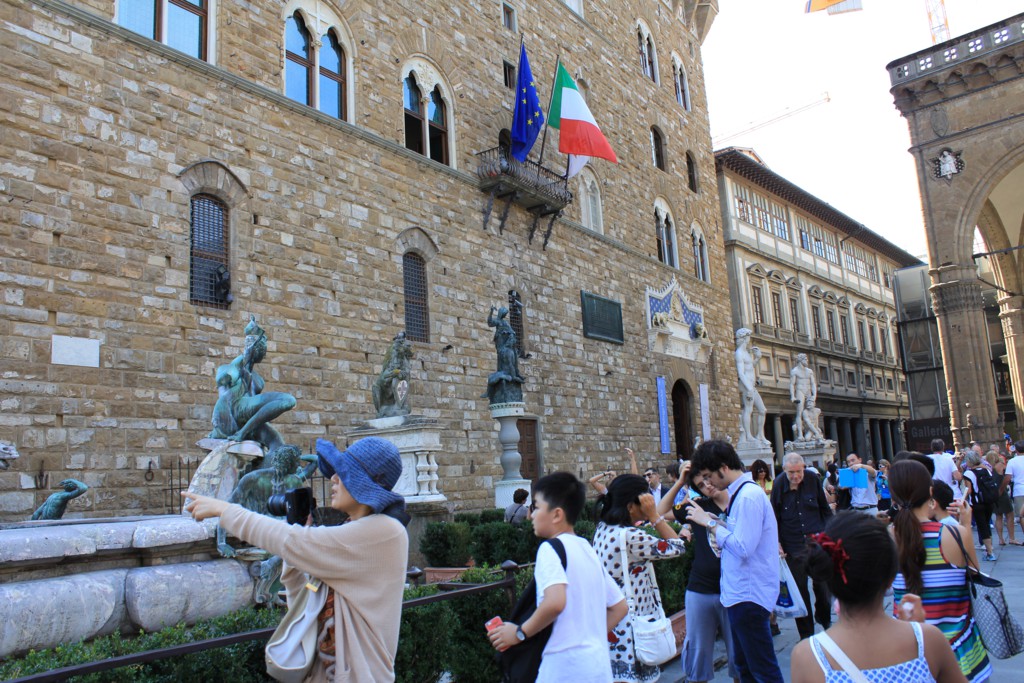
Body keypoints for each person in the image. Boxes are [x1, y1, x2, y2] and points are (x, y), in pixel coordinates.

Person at [183, 436, 410, 683]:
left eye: (342, 474)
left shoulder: (385, 532)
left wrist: (227, 511)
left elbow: (294, 541)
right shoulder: (354, 531)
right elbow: (304, 603)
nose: (333, 478)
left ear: (363, 483)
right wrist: (294, 559)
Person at [790, 511, 967, 683]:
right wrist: (915, 629)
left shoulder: (808, 656)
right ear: (891, 578)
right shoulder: (928, 641)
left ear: (827, 576)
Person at [488, 472, 628, 683]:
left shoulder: (550, 549)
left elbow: (555, 603)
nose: (532, 514)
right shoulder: (586, 548)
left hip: (564, 668)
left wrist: (519, 633)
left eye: (536, 507)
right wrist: (589, 637)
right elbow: (619, 607)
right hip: (597, 666)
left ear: (556, 515)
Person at [684, 440, 784, 683]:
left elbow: (743, 547)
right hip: (740, 594)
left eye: (709, 476)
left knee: (762, 669)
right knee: (745, 667)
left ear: (724, 467)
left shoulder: (748, 496)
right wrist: (719, 524)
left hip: (748, 595)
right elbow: (742, 537)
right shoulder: (742, 495)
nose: (708, 484)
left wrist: (707, 523)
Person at [889, 459, 992, 682]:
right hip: (960, 651)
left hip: (909, 655)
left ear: (893, 496)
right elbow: (974, 575)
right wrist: (965, 523)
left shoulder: (887, 538)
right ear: (930, 492)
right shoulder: (955, 534)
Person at [593, 474, 686, 682]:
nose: (647, 506)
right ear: (630, 506)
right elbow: (678, 547)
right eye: (644, 502)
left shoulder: (603, 529)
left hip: (612, 624)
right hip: (634, 631)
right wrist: (655, 516)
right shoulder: (631, 537)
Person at [674, 475, 740, 683]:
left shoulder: (741, 501)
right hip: (700, 588)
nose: (707, 486)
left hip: (734, 589)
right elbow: (659, 512)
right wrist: (679, 481)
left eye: (707, 479)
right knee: (697, 652)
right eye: (700, 485)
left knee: (739, 652)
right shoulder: (699, 505)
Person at [771, 453, 833, 640]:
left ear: (804, 468)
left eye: (799, 471)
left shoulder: (813, 480)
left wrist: (831, 534)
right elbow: (773, 517)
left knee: (823, 586)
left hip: (816, 540)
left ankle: (824, 618)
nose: (796, 476)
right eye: (792, 472)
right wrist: (777, 542)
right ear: (784, 470)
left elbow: (824, 509)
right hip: (793, 544)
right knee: (800, 591)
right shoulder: (779, 485)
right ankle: (806, 635)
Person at [735, 329, 770, 446]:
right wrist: (749, 388)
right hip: (746, 386)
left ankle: (760, 434)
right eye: (749, 336)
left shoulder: (746, 353)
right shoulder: (739, 353)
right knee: (748, 409)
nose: (750, 338)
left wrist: (757, 358)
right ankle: (748, 436)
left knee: (762, 410)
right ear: (745, 337)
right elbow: (741, 373)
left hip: (751, 385)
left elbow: (750, 368)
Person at [961, 451, 996, 561]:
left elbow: (969, 490)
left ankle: (990, 552)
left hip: (977, 503)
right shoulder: (987, 470)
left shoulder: (968, 474)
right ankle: (990, 548)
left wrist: (963, 499)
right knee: (987, 524)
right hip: (989, 501)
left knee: (982, 527)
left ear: (969, 461)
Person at [790, 354, 821, 441]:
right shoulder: (795, 371)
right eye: (805, 360)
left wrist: (814, 395)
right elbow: (792, 384)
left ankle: (815, 429)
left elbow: (813, 384)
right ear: (800, 360)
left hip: (808, 390)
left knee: (812, 409)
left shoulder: (809, 371)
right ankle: (800, 434)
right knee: (799, 412)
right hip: (800, 391)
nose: (807, 361)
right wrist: (792, 396)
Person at [987, 452, 1014, 546]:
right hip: (1002, 493)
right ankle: (1011, 538)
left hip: (994, 494)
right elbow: (1007, 477)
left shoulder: (988, 468)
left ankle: (1001, 539)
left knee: (998, 517)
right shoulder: (1000, 465)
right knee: (1009, 514)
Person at [1002, 443, 1024, 545]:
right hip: (1019, 490)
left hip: (1019, 490)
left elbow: (1007, 478)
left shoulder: (1012, 461)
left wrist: (1001, 488)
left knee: (1022, 516)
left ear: (1016, 450)